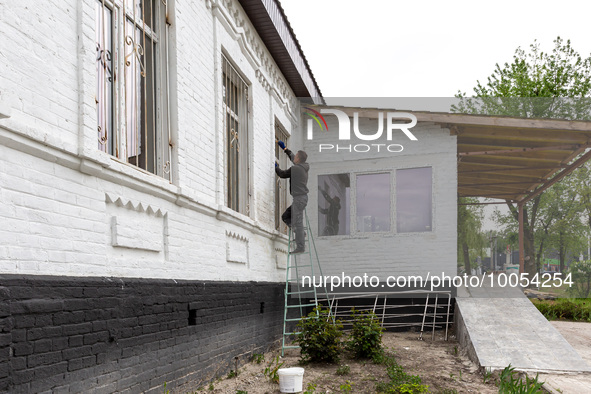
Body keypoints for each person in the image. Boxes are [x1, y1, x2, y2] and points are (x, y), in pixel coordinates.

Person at [275, 141, 309, 254]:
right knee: (286, 216)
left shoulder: (296, 169)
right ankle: (300, 234)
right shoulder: (302, 167)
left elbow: (282, 174)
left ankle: (300, 247)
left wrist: (275, 166)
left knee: (298, 222)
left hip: (299, 199)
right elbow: (292, 157)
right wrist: (285, 149)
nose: (294, 158)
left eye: (296, 157)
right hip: (300, 199)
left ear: (298, 159)